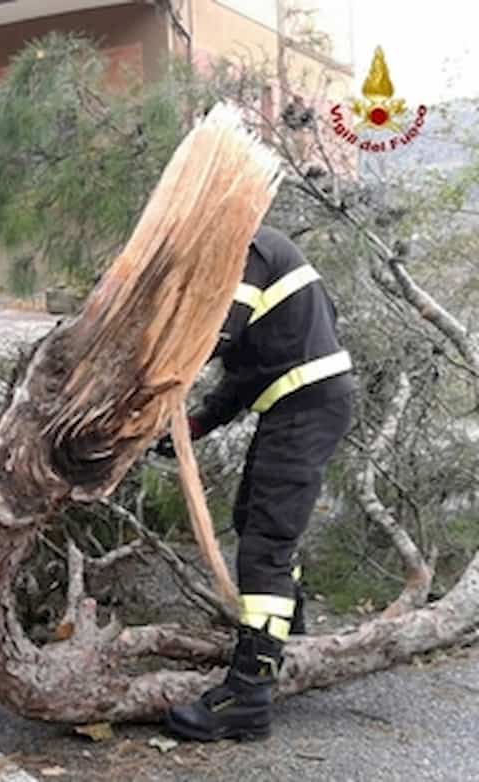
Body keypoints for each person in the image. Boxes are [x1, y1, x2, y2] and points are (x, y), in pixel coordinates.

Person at [154, 225, 357, 742]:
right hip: (302, 404)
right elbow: (245, 374)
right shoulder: (259, 252)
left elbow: (214, 336)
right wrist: (195, 425)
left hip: (306, 406)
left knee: (266, 544)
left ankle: (248, 693)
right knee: (256, 523)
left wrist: (148, 370)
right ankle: (287, 639)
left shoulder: (248, 247)